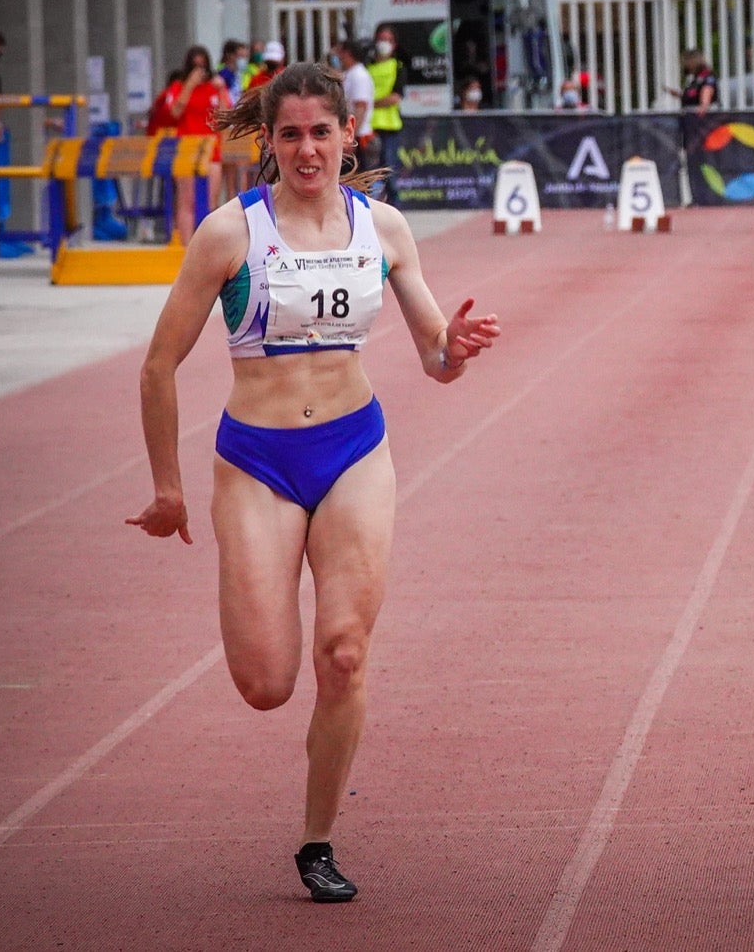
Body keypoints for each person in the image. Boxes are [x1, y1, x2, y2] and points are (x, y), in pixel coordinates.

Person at [126, 61, 500, 903]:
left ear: (348, 137)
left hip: (354, 451)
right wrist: (168, 487)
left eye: (320, 133)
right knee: (266, 685)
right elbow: (157, 366)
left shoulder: (385, 229)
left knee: (345, 652)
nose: (306, 149)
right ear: (271, 141)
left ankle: (318, 839)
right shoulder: (231, 233)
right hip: (257, 460)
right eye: (289, 134)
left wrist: (457, 348)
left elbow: (436, 359)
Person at [165, 45, 230, 243]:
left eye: (203, 67)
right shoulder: (179, 86)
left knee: (209, 202)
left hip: (211, 151)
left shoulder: (215, 87)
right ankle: (187, 248)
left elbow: (224, 117)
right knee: (187, 202)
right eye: (195, 67)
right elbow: (175, 112)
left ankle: (206, 246)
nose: (199, 71)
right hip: (186, 150)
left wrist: (220, 91)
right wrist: (190, 85)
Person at [366, 26, 403, 203]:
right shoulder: (367, 66)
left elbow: (395, 97)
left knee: (389, 174)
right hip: (368, 127)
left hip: (389, 126)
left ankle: (394, 209)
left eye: (388, 40)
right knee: (368, 173)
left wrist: (369, 104)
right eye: (381, 38)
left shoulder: (397, 66)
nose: (384, 43)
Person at [332, 39, 374, 158]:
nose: (338, 57)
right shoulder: (350, 74)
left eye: (340, 53)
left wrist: (351, 138)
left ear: (347, 53)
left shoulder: (359, 76)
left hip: (360, 138)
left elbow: (360, 108)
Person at [669, 50, 718, 116]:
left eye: (686, 63)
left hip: (700, 117)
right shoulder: (696, 78)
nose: (685, 66)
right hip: (692, 115)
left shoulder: (706, 76)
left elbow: (707, 90)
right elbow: (694, 95)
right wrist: (680, 94)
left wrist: (704, 106)